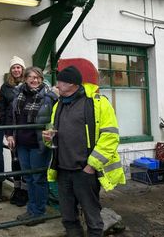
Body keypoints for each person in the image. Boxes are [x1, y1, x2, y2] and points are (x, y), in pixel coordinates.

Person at [42, 66, 126, 237]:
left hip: (85, 171)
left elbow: (110, 136)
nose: (57, 85)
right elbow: (52, 135)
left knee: (92, 216)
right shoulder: (58, 105)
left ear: (71, 83)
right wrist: (47, 138)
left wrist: (91, 166)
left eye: (60, 81)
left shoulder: (98, 103)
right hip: (63, 170)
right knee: (68, 217)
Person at [6, 67, 58, 226]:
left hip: (38, 145)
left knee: (38, 178)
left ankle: (38, 212)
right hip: (21, 143)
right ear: (25, 79)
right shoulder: (18, 94)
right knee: (28, 178)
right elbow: (11, 116)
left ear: (42, 79)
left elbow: (56, 118)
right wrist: (9, 134)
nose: (34, 80)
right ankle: (31, 209)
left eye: (37, 77)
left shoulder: (49, 96)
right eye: (31, 77)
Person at [0, 56, 28, 206]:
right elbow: (3, 111)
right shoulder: (5, 87)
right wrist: (8, 133)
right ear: (10, 70)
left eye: (19, 67)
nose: (16, 70)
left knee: (25, 160)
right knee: (15, 159)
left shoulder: (29, 84)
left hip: (26, 129)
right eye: (13, 68)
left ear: (23, 69)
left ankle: (25, 191)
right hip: (13, 129)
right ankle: (17, 189)